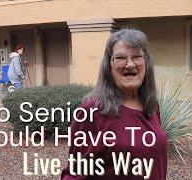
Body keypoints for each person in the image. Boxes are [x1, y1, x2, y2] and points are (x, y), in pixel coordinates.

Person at [61, 29, 167, 180]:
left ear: (146, 63)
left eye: (137, 56)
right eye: (120, 58)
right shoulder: (93, 111)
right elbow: (74, 173)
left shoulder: (151, 106)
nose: (130, 64)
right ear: (108, 66)